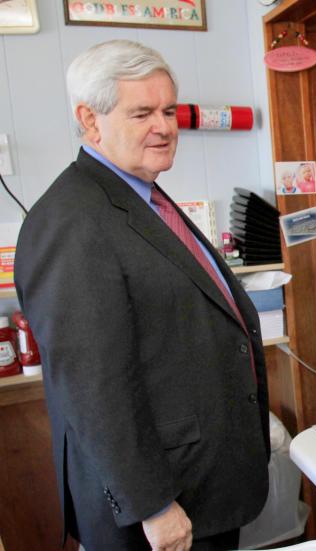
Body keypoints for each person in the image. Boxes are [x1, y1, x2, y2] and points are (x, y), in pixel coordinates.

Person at [15, 40, 269, 551]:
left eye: (170, 110)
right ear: (90, 120)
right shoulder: (72, 219)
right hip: (160, 508)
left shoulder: (142, 195)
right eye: (142, 113)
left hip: (204, 487)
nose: (165, 126)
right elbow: (93, 386)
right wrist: (152, 504)